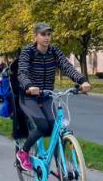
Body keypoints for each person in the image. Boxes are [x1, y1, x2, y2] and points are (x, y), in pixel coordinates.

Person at [16, 22, 91, 170]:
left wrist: (82, 81)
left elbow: (66, 66)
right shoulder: (28, 52)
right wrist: (29, 86)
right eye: (43, 34)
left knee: (55, 127)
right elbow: (22, 72)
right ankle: (23, 152)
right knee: (43, 126)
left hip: (47, 95)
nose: (46, 37)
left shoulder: (54, 51)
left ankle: (60, 164)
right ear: (35, 37)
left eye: (49, 34)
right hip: (29, 96)